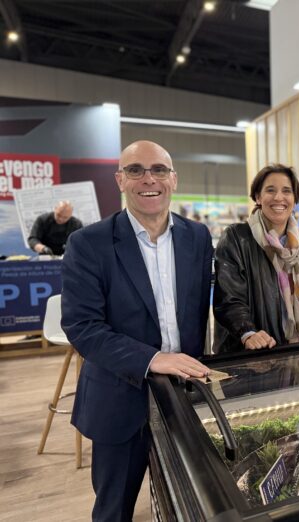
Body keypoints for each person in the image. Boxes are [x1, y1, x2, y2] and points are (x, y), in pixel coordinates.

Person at [61, 140, 213, 521]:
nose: (149, 179)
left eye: (159, 169)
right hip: (119, 398)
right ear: (120, 180)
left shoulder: (198, 237)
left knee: (189, 505)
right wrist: (153, 359)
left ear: (173, 179)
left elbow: (205, 308)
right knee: (114, 510)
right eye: (136, 170)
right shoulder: (88, 243)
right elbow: (82, 327)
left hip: (184, 397)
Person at [214, 164, 299, 352]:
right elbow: (229, 299)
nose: (279, 197)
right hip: (253, 354)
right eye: (270, 190)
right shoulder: (236, 238)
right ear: (258, 197)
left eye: (286, 191)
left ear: (295, 198)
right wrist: (248, 332)